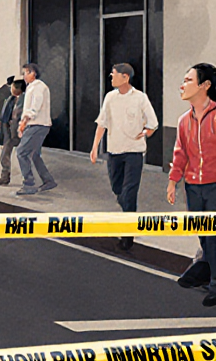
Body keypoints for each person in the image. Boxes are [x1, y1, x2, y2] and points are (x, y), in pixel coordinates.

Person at [91, 64, 159, 250]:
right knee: (117, 189)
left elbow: (153, 124)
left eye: (113, 75)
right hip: (114, 152)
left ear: (125, 77)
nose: (111, 77)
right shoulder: (110, 97)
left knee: (129, 193)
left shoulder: (140, 98)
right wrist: (95, 146)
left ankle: (127, 235)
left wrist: (145, 133)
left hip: (134, 152)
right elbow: (102, 123)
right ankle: (128, 213)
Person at [168, 64, 216, 304]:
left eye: (188, 79)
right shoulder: (184, 120)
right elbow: (180, 153)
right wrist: (173, 181)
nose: (182, 84)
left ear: (205, 85)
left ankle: (214, 284)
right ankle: (204, 270)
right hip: (192, 185)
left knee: (213, 235)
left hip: (214, 184)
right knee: (202, 232)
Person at [16, 62, 56, 195]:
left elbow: (34, 108)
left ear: (33, 73)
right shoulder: (32, 87)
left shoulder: (38, 87)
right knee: (34, 154)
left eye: (26, 73)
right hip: (37, 124)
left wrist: (24, 122)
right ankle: (48, 180)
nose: (24, 76)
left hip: (37, 125)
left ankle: (29, 184)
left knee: (21, 152)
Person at [0, 80, 25, 186]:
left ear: (18, 89)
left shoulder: (24, 100)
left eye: (13, 87)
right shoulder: (10, 99)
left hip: (18, 131)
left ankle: (26, 179)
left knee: (20, 155)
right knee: (5, 154)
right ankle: (5, 177)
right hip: (8, 130)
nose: (11, 89)